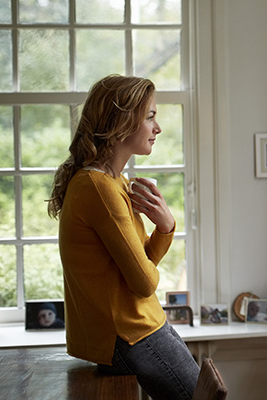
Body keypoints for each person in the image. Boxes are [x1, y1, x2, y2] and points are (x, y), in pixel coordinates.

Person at [47, 74, 199, 400]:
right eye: (150, 117)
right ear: (121, 121)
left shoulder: (112, 183)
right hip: (130, 334)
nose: (157, 128)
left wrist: (164, 227)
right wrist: (163, 232)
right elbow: (144, 282)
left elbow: (139, 265)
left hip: (138, 328)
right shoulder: (99, 188)